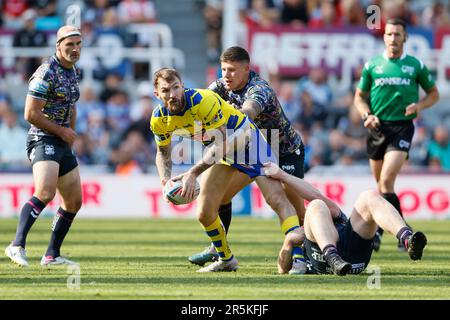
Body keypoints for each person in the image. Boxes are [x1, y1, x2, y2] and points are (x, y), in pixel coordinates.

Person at [151, 68, 303, 273]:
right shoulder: (159, 119)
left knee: (276, 198)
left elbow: (223, 142)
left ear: (183, 86)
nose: (172, 94)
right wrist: (164, 181)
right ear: (157, 94)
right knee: (204, 212)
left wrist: (193, 172)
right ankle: (226, 259)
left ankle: (298, 258)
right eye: (165, 90)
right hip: (223, 153)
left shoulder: (202, 101)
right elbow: (163, 153)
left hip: (247, 141)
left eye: (176, 88)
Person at [188, 46, 307, 274]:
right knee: (222, 197)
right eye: (223, 69)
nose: (226, 75)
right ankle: (217, 247)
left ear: (246, 69)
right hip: (252, 151)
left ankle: (301, 257)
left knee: (291, 205)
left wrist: (237, 115)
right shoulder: (220, 86)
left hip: (283, 151)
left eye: (232, 70)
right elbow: (202, 103)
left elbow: (250, 112)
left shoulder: (259, 88)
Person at [353, 18, 439, 251]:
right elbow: (359, 97)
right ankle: (402, 233)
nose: (393, 38)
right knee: (382, 188)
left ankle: (384, 234)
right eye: (389, 34)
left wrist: (419, 106)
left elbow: (433, 94)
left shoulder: (415, 65)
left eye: (397, 34)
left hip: (402, 126)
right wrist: (366, 115)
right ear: (384, 37)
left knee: (386, 181)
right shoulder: (372, 65)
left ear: (405, 38)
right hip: (376, 127)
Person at [4, 25, 83, 267]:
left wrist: (71, 131)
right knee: (46, 192)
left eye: (79, 44)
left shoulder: (73, 72)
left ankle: (51, 255)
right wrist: (61, 131)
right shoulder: (46, 72)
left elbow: (71, 105)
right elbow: (30, 113)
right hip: (42, 138)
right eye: (69, 44)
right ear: (58, 46)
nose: (75, 49)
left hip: (61, 140)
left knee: (74, 201)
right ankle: (16, 245)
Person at [263, 161, 428, 275]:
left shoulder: (328, 211)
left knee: (369, 196)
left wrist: (282, 175)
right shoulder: (301, 232)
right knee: (316, 206)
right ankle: (332, 257)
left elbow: (314, 195)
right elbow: (282, 270)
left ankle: (407, 239)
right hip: (336, 261)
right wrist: (289, 242)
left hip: (354, 256)